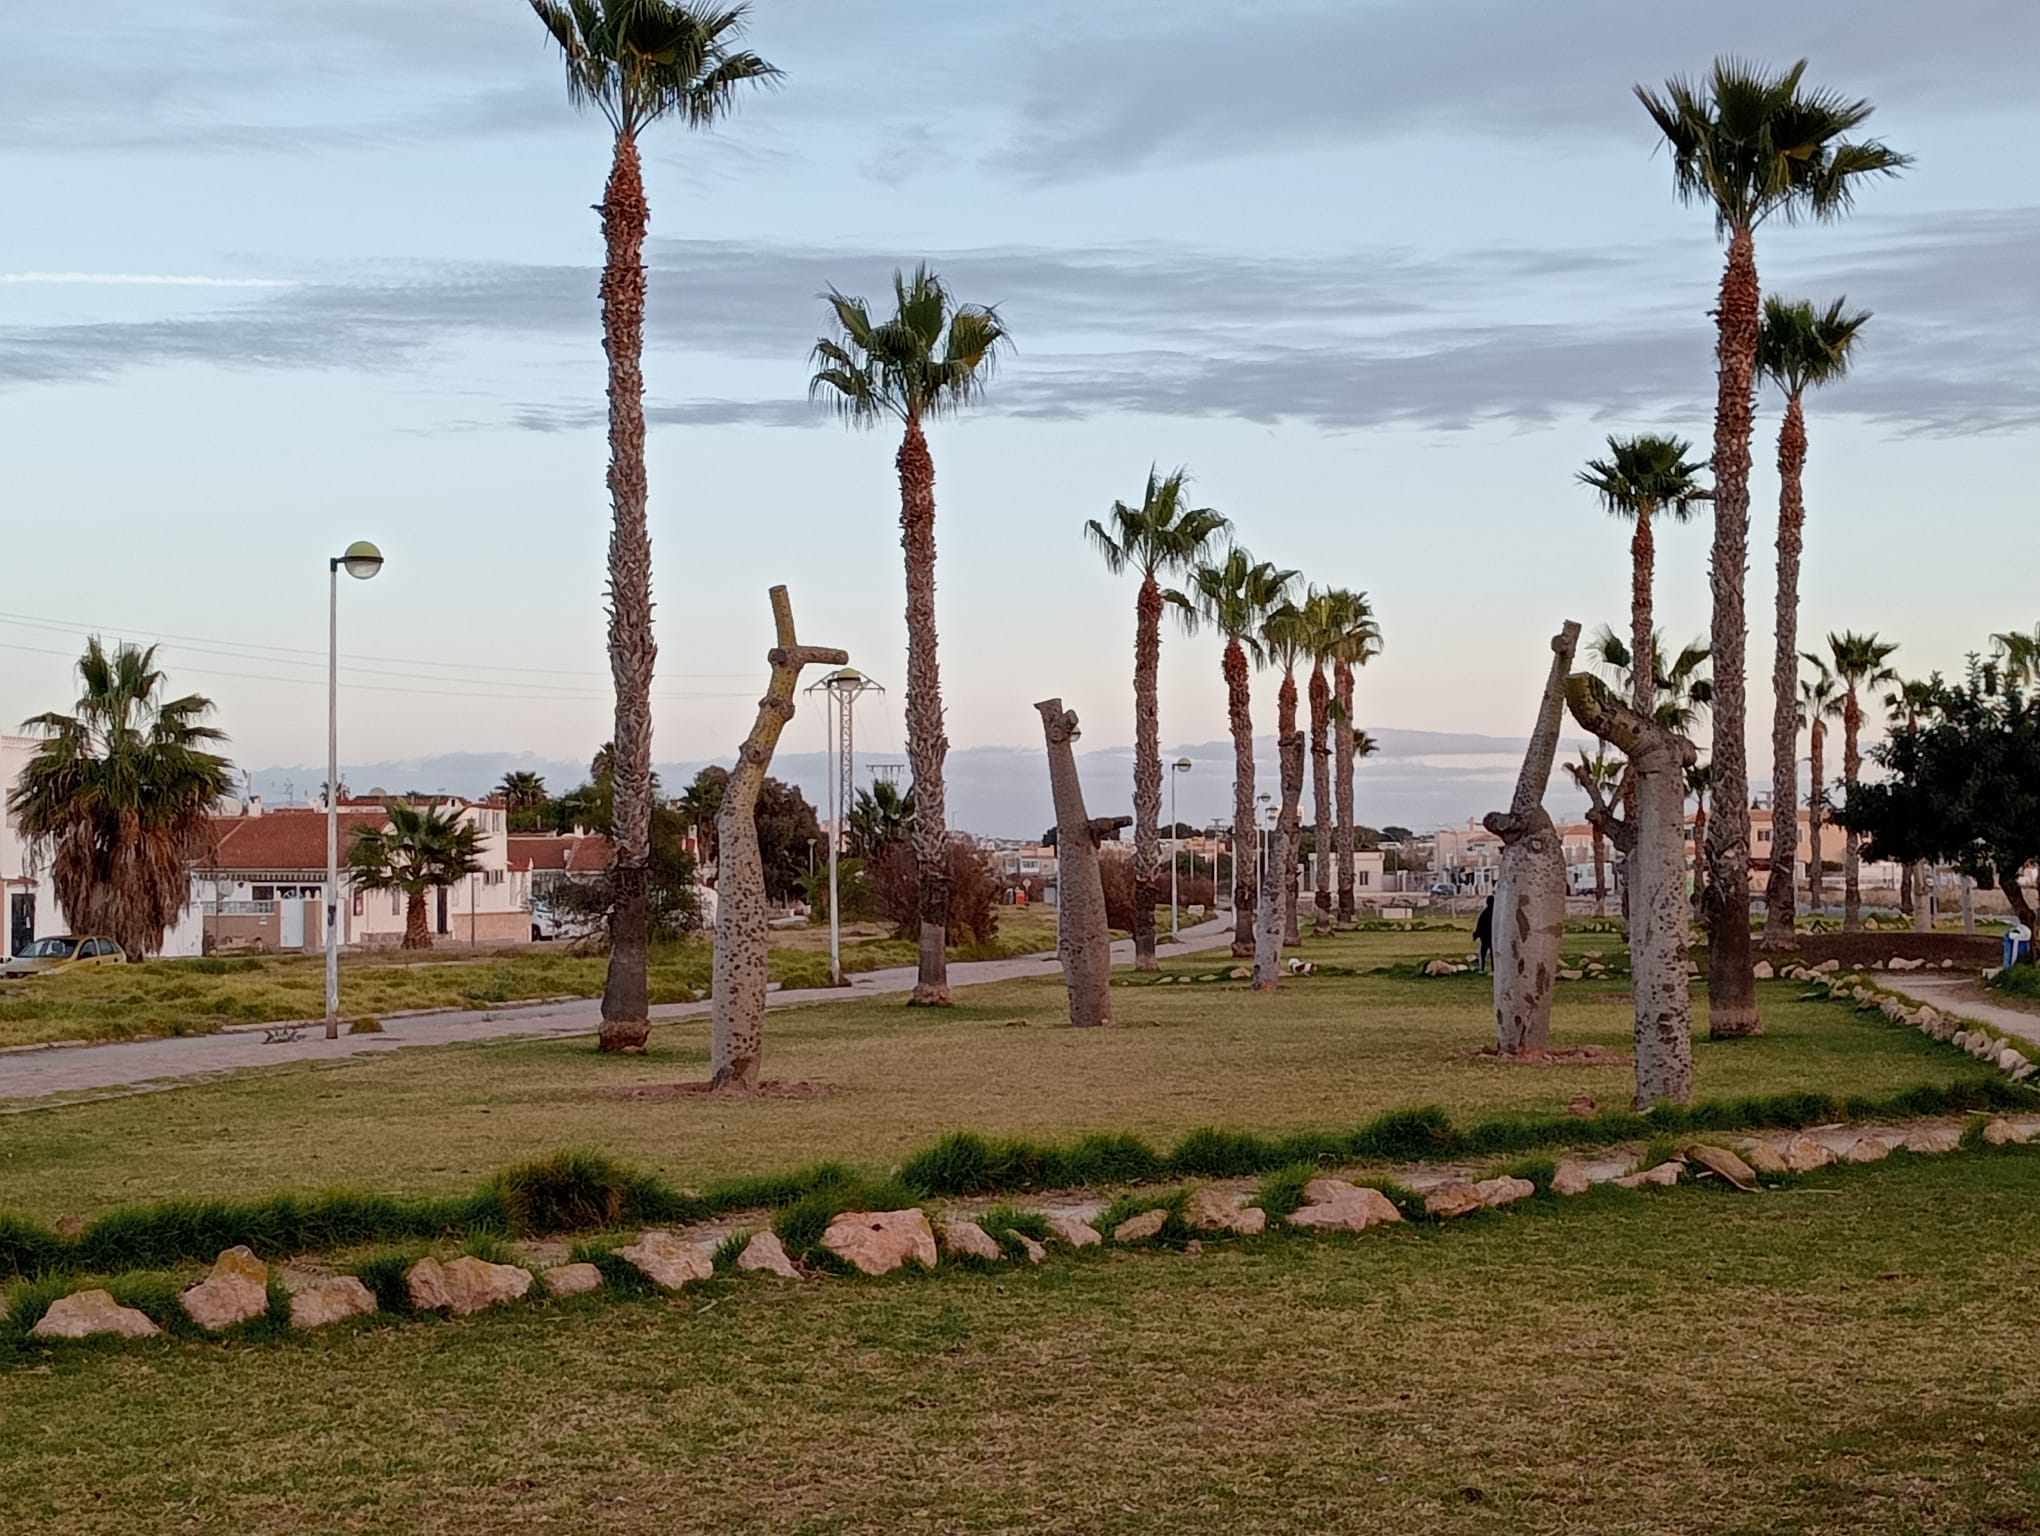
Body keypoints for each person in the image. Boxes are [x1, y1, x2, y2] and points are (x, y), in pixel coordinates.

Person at [1473, 893, 1495, 972]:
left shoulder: (1484, 913)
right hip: (1491, 937)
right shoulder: (1495, 913)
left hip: (1486, 937)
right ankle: (1492, 969)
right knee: (1491, 954)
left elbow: (1479, 925)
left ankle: (1482, 968)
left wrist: (1477, 934)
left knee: (1484, 953)